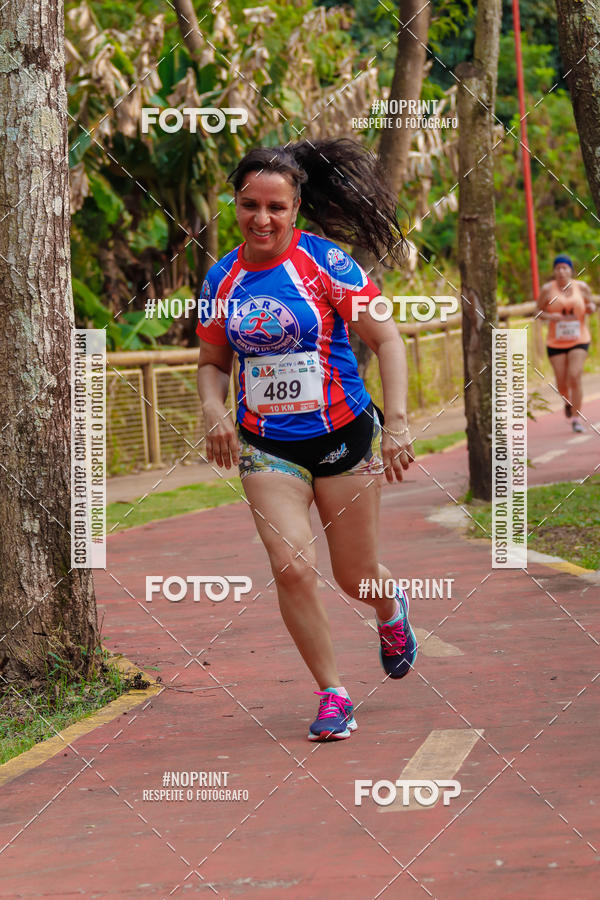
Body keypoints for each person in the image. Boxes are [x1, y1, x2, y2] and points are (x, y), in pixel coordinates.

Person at [196, 139, 417, 741]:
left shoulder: (329, 263)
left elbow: (388, 341)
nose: (261, 219)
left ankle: (390, 609)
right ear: (234, 205)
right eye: (248, 205)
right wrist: (213, 409)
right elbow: (212, 361)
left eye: (275, 207)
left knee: (355, 575)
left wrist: (395, 424)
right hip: (266, 445)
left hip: (344, 436)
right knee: (292, 567)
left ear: (296, 208)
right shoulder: (222, 277)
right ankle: (333, 694)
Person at [536, 254, 596, 433]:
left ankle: (576, 418)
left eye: (565, 268)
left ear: (571, 270)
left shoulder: (582, 287)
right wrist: (549, 316)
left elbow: (590, 304)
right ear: (554, 271)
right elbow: (537, 312)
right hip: (556, 342)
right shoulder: (548, 290)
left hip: (579, 339)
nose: (561, 271)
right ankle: (568, 402)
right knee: (562, 383)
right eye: (558, 268)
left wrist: (591, 308)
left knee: (575, 376)